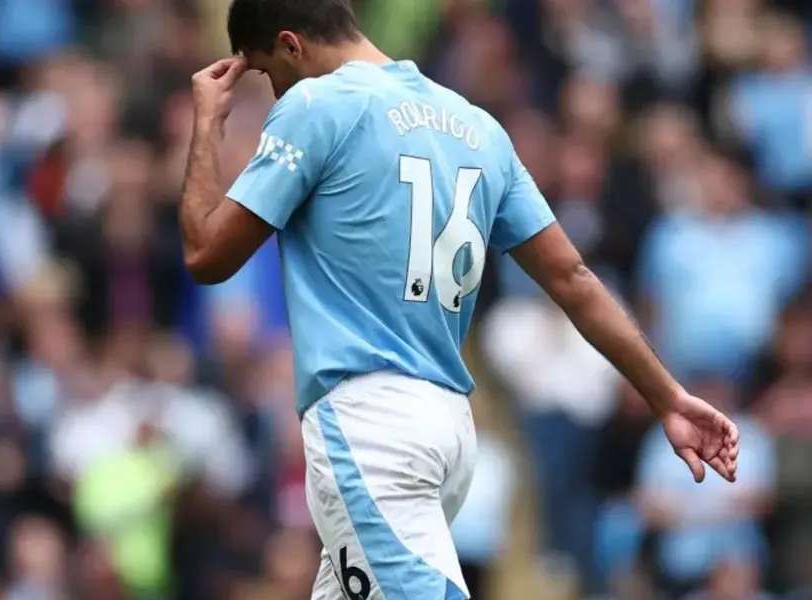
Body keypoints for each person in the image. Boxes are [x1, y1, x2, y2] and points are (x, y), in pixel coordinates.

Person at [177, 1, 741, 598]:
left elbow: (205, 255)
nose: (270, 91)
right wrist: (668, 396)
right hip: (447, 426)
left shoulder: (316, 105)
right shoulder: (477, 127)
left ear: (290, 46)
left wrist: (207, 127)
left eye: (263, 72)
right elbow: (574, 278)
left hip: (371, 423)